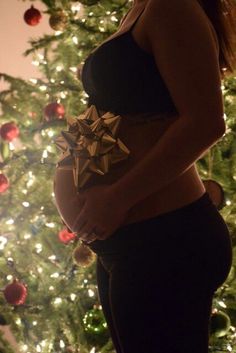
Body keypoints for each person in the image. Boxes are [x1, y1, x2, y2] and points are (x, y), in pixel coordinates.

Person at [56, 0, 236, 352]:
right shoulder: (140, 8)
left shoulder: (173, 6)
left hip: (165, 240)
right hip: (131, 243)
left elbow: (206, 123)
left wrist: (116, 198)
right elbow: (109, 114)